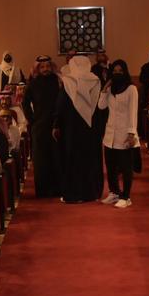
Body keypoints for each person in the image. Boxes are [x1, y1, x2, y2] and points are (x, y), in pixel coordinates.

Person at [56, 55, 104, 204]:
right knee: (90, 159)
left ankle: (74, 193)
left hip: (71, 129)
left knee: (73, 159)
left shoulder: (68, 81)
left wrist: (56, 124)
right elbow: (100, 108)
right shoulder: (96, 81)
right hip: (91, 128)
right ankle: (91, 193)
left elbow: (61, 106)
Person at [99, 58, 139, 208]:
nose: (117, 74)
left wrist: (131, 133)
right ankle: (114, 192)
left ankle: (126, 196)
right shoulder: (110, 89)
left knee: (126, 167)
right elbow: (101, 106)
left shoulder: (131, 89)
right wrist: (105, 88)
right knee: (110, 166)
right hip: (110, 133)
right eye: (114, 71)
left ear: (125, 72)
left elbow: (133, 112)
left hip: (125, 133)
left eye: (120, 71)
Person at [25, 55, 63, 199]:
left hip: (56, 125)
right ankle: (43, 191)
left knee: (57, 158)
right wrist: (32, 120)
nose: (46, 69)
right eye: (42, 67)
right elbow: (25, 103)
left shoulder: (58, 81)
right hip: (39, 127)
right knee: (41, 160)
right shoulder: (33, 84)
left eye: (48, 66)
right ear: (38, 69)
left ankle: (58, 189)